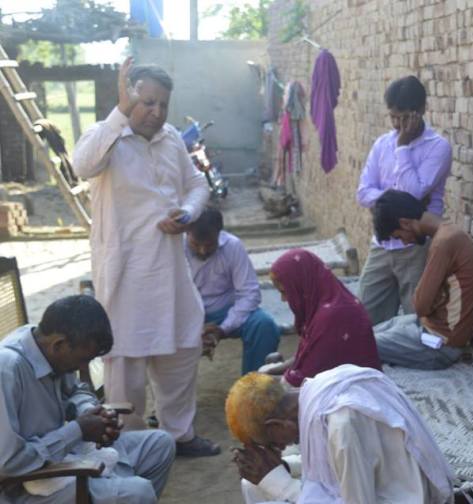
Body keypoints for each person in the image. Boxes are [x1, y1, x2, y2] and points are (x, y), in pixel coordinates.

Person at [73, 58, 219, 457]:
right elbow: (81, 164)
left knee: (181, 350)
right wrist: (119, 113)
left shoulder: (171, 138)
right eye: (147, 102)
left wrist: (187, 215)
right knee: (125, 362)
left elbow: (196, 186)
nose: (156, 112)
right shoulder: (106, 137)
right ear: (128, 97)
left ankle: (179, 435)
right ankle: (132, 444)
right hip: (125, 275)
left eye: (163, 104)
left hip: (171, 271)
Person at [0, 296, 175, 503]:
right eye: (83, 360)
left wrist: (92, 412)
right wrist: (78, 430)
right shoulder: (8, 369)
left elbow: (75, 391)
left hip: (60, 456)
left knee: (159, 444)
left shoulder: (46, 344)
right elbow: (9, 463)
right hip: (22, 486)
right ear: (59, 345)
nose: (81, 368)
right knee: (138, 492)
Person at [231, 365, 454, 503]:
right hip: (377, 483)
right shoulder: (322, 388)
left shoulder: (341, 424)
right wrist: (287, 468)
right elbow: (337, 462)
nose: (279, 449)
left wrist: (280, 483)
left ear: (276, 426)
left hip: (400, 497)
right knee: (251, 484)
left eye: (272, 444)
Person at [356, 75, 453, 325]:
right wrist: (390, 203)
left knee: (418, 321)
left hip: (415, 248)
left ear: (420, 110)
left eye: (403, 117)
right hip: (382, 244)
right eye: (393, 118)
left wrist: (403, 147)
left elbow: (413, 195)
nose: (398, 125)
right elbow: (364, 192)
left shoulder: (438, 147)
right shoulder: (381, 144)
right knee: (365, 319)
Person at [370, 190, 473, 369]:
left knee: (364, 344)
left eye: (399, 237)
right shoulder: (446, 234)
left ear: (405, 223)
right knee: (366, 334)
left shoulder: (444, 242)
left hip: (441, 346)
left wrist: (427, 299)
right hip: (428, 329)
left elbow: (420, 305)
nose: (405, 243)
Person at [263, 249, 381, 387]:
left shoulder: (334, 316)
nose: (283, 299)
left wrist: (264, 380)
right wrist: (271, 372)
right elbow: (306, 357)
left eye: (285, 292)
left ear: (302, 284)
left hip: (352, 397)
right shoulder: (324, 306)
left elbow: (309, 379)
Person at [185, 207, 281, 374]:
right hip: (185, 312)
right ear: (187, 233)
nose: (202, 251)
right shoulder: (174, 248)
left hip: (225, 311)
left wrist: (223, 329)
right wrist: (193, 326)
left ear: (219, 234)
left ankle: (252, 387)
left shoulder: (232, 246)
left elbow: (249, 293)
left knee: (263, 326)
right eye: (195, 244)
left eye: (209, 245)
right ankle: (178, 398)